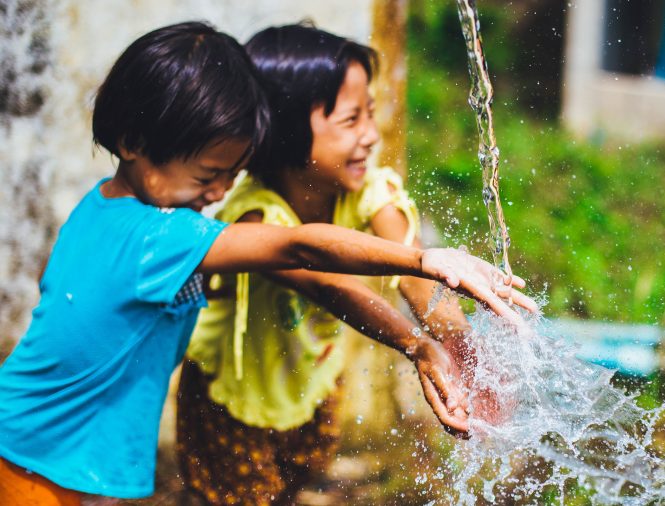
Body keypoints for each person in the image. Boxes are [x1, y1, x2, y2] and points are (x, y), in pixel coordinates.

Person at [0, 21, 530, 505]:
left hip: (44, 443)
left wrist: (444, 338)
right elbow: (302, 249)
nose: (219, 193)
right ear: (133, 142)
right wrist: (424, 260)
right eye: (207, 175)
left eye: (230, 174)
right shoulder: (160, 235)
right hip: (37, 457)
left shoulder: (101, 207)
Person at [175, 23, 537, 506]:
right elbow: (330, 286)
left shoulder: (367, 190)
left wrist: (456, 340)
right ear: (285, 131)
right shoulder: (255, 217)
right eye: (350, 120)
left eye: (370, 112)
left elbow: (416, 275)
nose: (370, 134)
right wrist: (415, 344)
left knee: (295, 481)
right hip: (233, 394)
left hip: (313, 377)